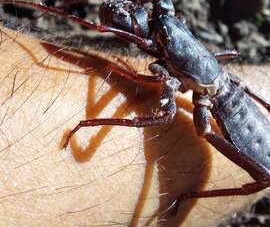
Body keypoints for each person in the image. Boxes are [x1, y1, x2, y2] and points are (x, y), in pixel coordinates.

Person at [0, 25, 265, 226]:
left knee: (218, 142)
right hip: (224, 85)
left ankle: (188, 195)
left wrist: (88, 120)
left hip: (225, 103)